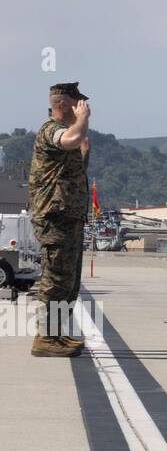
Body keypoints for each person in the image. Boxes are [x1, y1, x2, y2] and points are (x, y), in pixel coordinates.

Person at [29, 82, 92, 357]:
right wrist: (83, 121)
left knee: (69, 280)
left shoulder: (65, 132)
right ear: (64, 103)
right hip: (55, 218)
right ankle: (45, 337)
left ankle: (56, 333)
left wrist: (82, 138)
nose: (83, 105)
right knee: (56, 278)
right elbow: (69, 141)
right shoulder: (50, 129)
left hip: (69, 217)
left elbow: (74, 156)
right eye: (78, 101)